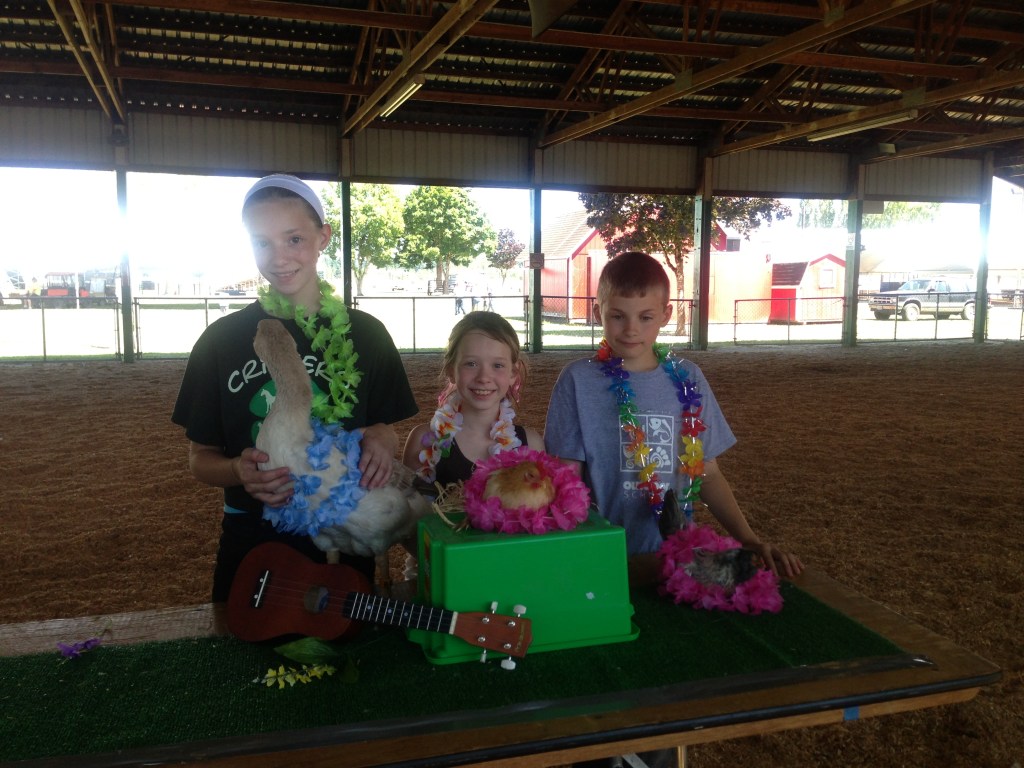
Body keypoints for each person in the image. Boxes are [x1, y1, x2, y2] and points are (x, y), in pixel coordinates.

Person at [171, 173, 418, 603]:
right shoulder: (221, 340)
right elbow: (199, 459)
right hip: (256, 536)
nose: (279, 257)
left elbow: (382, 426)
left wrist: (383, 436)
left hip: (346, 535)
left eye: (294, 239)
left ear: (323, 237)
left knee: (350, 647)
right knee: (242, 650)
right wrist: (237, 472)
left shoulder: (368, 334)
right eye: (261, 242)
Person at [545, 251, 802, 578]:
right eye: (617, 316)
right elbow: (566, 482)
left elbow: (706, 473)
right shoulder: (578, 381)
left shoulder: (688, 379)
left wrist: (748, 540)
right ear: (598, 313)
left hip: (673, 565)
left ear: (666, 314)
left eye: (645, 317)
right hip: (601, 561)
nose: (630, 330)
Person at [403, 310, 544, 487]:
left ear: (513, 373)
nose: (484, 377)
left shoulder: (531, 445)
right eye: (471, 364)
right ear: (451, 371)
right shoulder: (423, 441)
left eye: (497, 365)